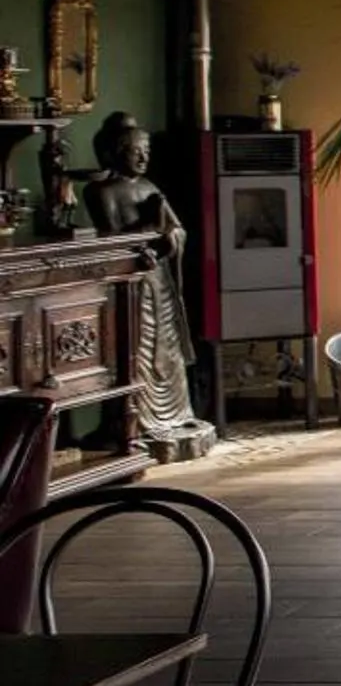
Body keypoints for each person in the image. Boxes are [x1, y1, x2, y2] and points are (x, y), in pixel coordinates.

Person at [81, 112, 211, 454]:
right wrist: (151, 229)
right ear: (114, 152)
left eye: (146, 151)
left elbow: (176, 230)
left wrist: (170, 238)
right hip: (130, 281)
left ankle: (175, 415)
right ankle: (135, 421)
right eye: (135, 150)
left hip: (159, 279)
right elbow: (111, 240)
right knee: (134, 350)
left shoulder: (149, 187)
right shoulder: (101, 191)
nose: (143, 157)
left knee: (167, 350)